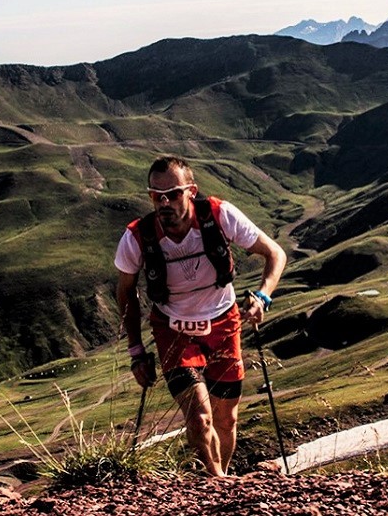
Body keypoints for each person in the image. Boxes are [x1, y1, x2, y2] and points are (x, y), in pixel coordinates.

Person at [114, 156, 287, 477]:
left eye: (174, 194)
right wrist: (136, 350)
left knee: (226, 418)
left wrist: (263, 296)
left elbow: (275, 254)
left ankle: (219, 475)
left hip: (223, 323)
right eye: (156, 195)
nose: (164, 202)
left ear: (191, 191)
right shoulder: (137, 237)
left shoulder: (220, 215)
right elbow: (125, 292)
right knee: (199, 417)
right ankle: (216, 483)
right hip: (173, 330)